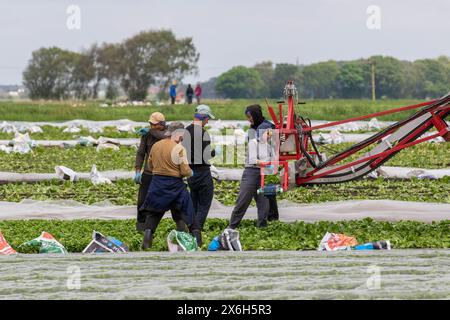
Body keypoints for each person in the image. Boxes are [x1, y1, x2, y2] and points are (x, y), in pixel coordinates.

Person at [140, 122, 201, 249]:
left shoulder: (156, 145)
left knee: (153, 215)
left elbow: (150, 166)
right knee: (188, 213)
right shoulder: (179, 148)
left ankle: (146, 245)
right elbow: (185, 171)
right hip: (175, 185)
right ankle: (197, 243)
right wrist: (190, 172)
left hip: (157, 184)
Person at [227, 104, 278, 229]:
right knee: (246, 201)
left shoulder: (265, 126)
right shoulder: (254, 127)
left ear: (255, 114)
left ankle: (262, 227)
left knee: (262, 202)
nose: (249, 119)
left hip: (259, 169)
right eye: (247, 117)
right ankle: (231, 228)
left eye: (250, 116)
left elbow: (266, 141)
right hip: (254, 169)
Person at [182, 104, 216, 231]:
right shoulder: (203, 133)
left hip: (191, 173)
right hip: (202, 173)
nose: (207, 122)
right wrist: (215, 152)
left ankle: (190, 228)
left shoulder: (186, 131)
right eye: (207, 119)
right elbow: (205, 155)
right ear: (203, 117)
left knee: (194, 203)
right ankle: (197, 230)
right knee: (204, 204)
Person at [134, 112, 167, 232]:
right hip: (148, 173)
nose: (151, 126)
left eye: (154, 124)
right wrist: (138, 170)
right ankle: (141, 229)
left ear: (162, 124)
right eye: (150, 124)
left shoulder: (169, 133)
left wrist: (150, 131)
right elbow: (141, 153)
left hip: (163, 174)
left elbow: (163, 136)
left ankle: (151, 229)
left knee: (161, 203)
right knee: (142, 202)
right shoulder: (146, 135)